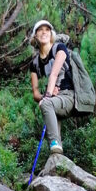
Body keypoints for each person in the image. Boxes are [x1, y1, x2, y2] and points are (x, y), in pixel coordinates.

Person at [29, 19, 73, 155]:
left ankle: (55, 145)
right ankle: (57, 161)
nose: (44, 32)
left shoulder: (59, 48)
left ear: (51, 33)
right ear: (35, 35)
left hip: (68, 96)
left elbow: (54, 73)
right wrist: (47, 95)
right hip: (54, 99)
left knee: (46, 105)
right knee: (55, 147)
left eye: (47, 29)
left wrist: (47, 96)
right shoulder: (35, 63)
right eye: (40, 30)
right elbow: (35, 93)